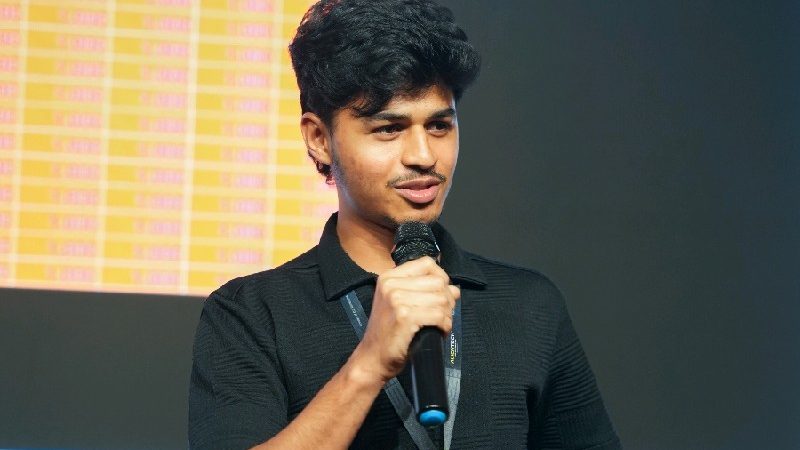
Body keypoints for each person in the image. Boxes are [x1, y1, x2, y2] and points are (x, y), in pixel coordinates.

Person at [188, 1, 621, 449]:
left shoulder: (529, 304)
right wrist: (369, 364)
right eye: (389, 129)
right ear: (319, 139)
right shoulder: (251, 314)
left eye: (439, 126)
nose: (423, 156)